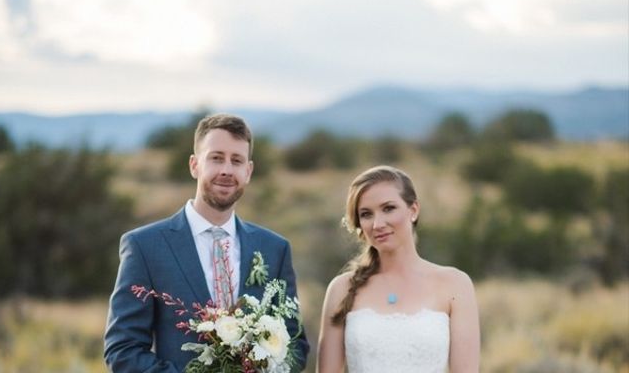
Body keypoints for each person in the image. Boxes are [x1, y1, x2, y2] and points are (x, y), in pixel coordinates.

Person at [104, 113, 309, 372]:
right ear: (194, 165)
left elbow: (295, 345)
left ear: (248, 172)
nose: (226, 169)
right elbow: (123, 350)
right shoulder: (145, 246)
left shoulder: (274, 249)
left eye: (236, 161)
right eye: (216, 158)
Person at [317, 165, 480, 373]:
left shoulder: (455, 285)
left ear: (413, 210)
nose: (377, 224)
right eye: (366, 214)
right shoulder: (341, 289)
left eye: (388, 208)